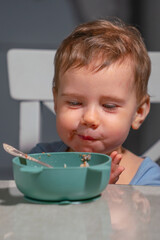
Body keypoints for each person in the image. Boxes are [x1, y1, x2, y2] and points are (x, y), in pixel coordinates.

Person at [31, 18, 160, 185]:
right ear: (56, 102)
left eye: (109, 106)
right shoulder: (39, 160)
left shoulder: (149, 180)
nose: (89, 118)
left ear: (139, 113)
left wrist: (107, 193)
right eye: (74, 103)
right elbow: (33, 209)